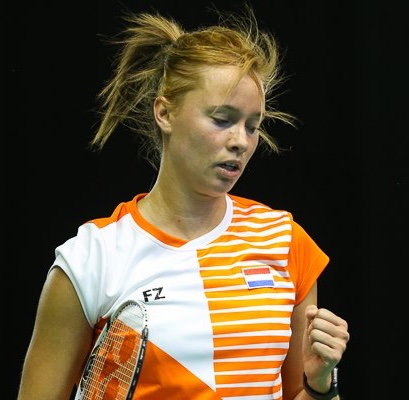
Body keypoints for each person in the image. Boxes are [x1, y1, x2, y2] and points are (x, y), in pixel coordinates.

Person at [17, 3, 350, 400]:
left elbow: (303, 394)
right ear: (165, 113)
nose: (240, 141)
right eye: (222, 119)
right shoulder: (92, 259)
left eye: (252, 125)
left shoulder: (285, 241)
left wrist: (319, 385)